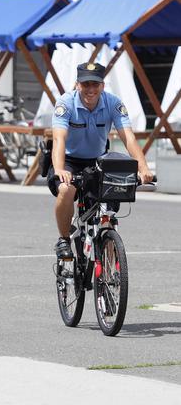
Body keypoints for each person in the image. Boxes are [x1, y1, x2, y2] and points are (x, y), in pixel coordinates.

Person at [49, 61, 154, 259]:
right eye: (85, 84)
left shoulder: (113, 103)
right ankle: (63, 239)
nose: (90, 89)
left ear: (102, 86)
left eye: (95, 84)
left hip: (97, 161)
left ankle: (110, 262)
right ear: (77, 85)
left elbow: (128, 138)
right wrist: (60, 169)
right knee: (65, 189)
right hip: (69, 160)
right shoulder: (65, 103)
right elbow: (58, 139)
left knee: (108, 205)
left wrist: (144, 168)